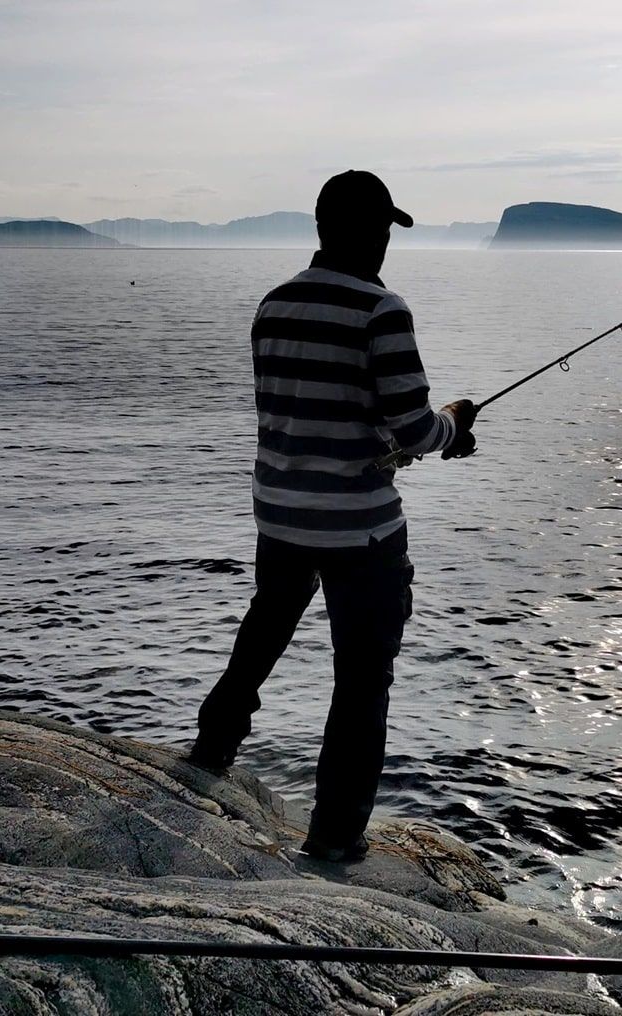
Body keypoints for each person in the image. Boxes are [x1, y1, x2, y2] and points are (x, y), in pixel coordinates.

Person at [189, 170, 476, 863]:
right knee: (361, 676)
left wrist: (381, 441)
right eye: (383, 230)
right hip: (360, 529)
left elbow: (300, 415)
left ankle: (209, 753)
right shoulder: (382, 310)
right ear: (372, 233)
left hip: (281, 514)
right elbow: (411, 429)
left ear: (320, 228)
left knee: (264, 632)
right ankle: (336, 833)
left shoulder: (275, 304)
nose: (385, 243)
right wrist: (453, 427)